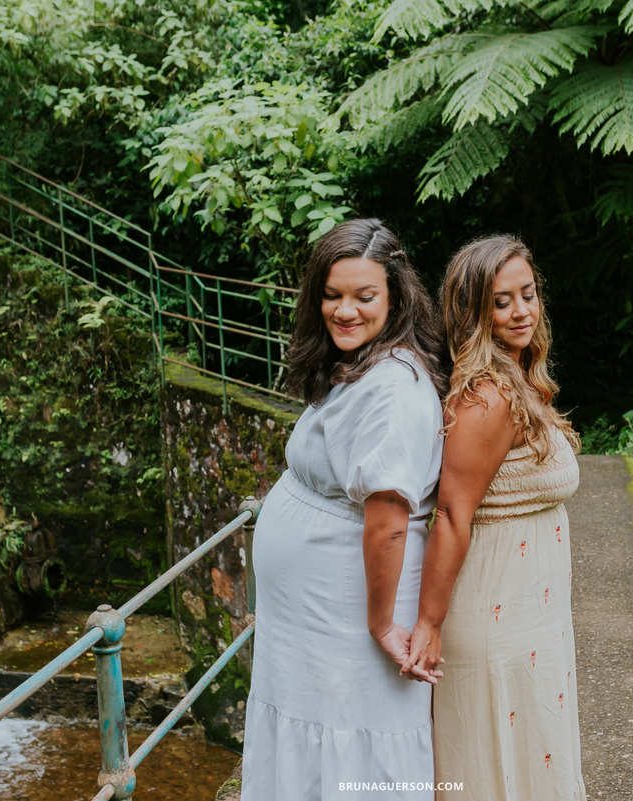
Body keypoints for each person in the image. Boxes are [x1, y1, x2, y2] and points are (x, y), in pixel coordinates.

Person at [242, 218, 448, 800]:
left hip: (348, 612)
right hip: (314, 617)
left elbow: (387, 522)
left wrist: (381, 623)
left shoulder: (394, 388)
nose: (345, 311)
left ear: (397, 297)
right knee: (322, 739)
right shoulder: (364, 367)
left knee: (354, 744)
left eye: (364, 296)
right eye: (332, 296)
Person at [402, 234, 585, 800]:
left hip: (531, 616)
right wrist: (428, 625)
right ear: (473, 311)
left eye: (527, 294)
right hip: (497, 620)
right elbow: (452, 515)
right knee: (498, 772)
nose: (521, 311)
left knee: (526, 762)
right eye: (501, 302)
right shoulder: (488, 397)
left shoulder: (519, 379)